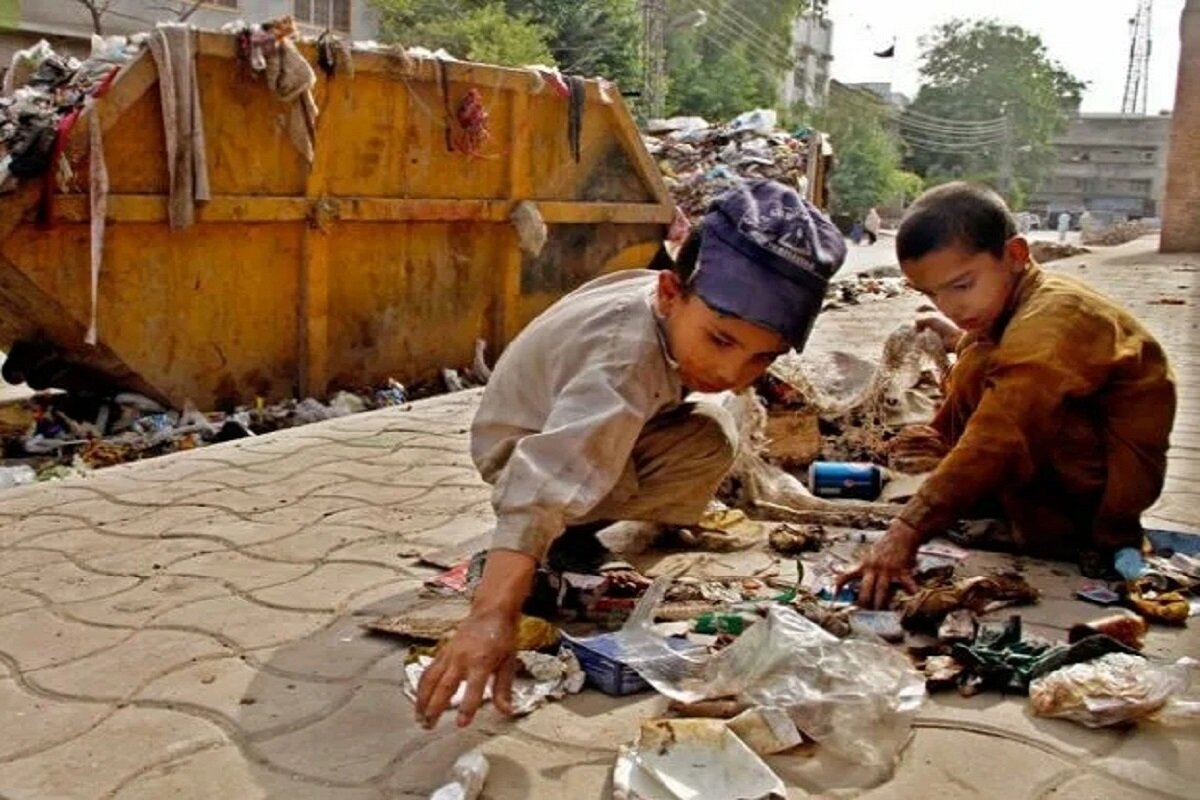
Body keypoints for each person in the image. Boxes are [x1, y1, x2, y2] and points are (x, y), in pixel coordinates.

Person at [416, 181, 847, 729]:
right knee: (679, 447)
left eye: (760, 358)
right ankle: (564, 537)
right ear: (671, 293)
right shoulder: (625, 362)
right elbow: (543, 479)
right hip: (524, 451)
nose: (732, 374)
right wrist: (491, 617)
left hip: (570, 423)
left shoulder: (668, 301)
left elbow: (724, 356)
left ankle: (587, 519)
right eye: (720, 341)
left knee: (710, 436)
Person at [840, 182, 1175, 610]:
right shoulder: (1016, 305)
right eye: (932, 294)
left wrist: (906, 530)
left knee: (993, 399)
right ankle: (997, 509)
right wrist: (958, 339)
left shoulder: (1057, 317)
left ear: (1015, 255)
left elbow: (999, 435)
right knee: (978, 356)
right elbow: (1001, 351)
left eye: (961, 286)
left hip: (1101, 502)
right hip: (1063, 465)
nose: (949, 306)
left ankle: (1061, 534)